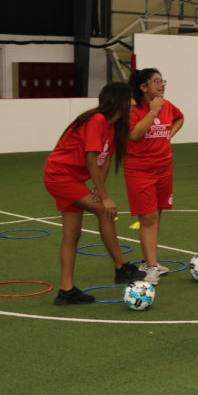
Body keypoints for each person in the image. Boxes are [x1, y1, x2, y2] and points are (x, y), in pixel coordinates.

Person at [43, 82, 143, 305]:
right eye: (131, 99)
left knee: (72, 233)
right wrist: (105, 198)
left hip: (73, 179)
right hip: (59, 176)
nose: (135, 103)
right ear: (119, 101)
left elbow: (104, 160)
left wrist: (99, 189)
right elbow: (91, 160)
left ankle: (66, 291)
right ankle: (121, 267)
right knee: (104, 211)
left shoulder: (114, 126)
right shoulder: (96, 120)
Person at [124, 69, 185, 285]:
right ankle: (151, 267)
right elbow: (133, 134)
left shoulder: (166, 105)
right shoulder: (133, 108)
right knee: (148, 218)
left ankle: (148, 261)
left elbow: (180, 118)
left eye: (162, 80)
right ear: (143, 86)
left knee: (156, 216)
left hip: (163, 168)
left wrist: (168, 136)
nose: (162, 85)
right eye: (156, 81)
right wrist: (152, 112)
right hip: (140, 170)